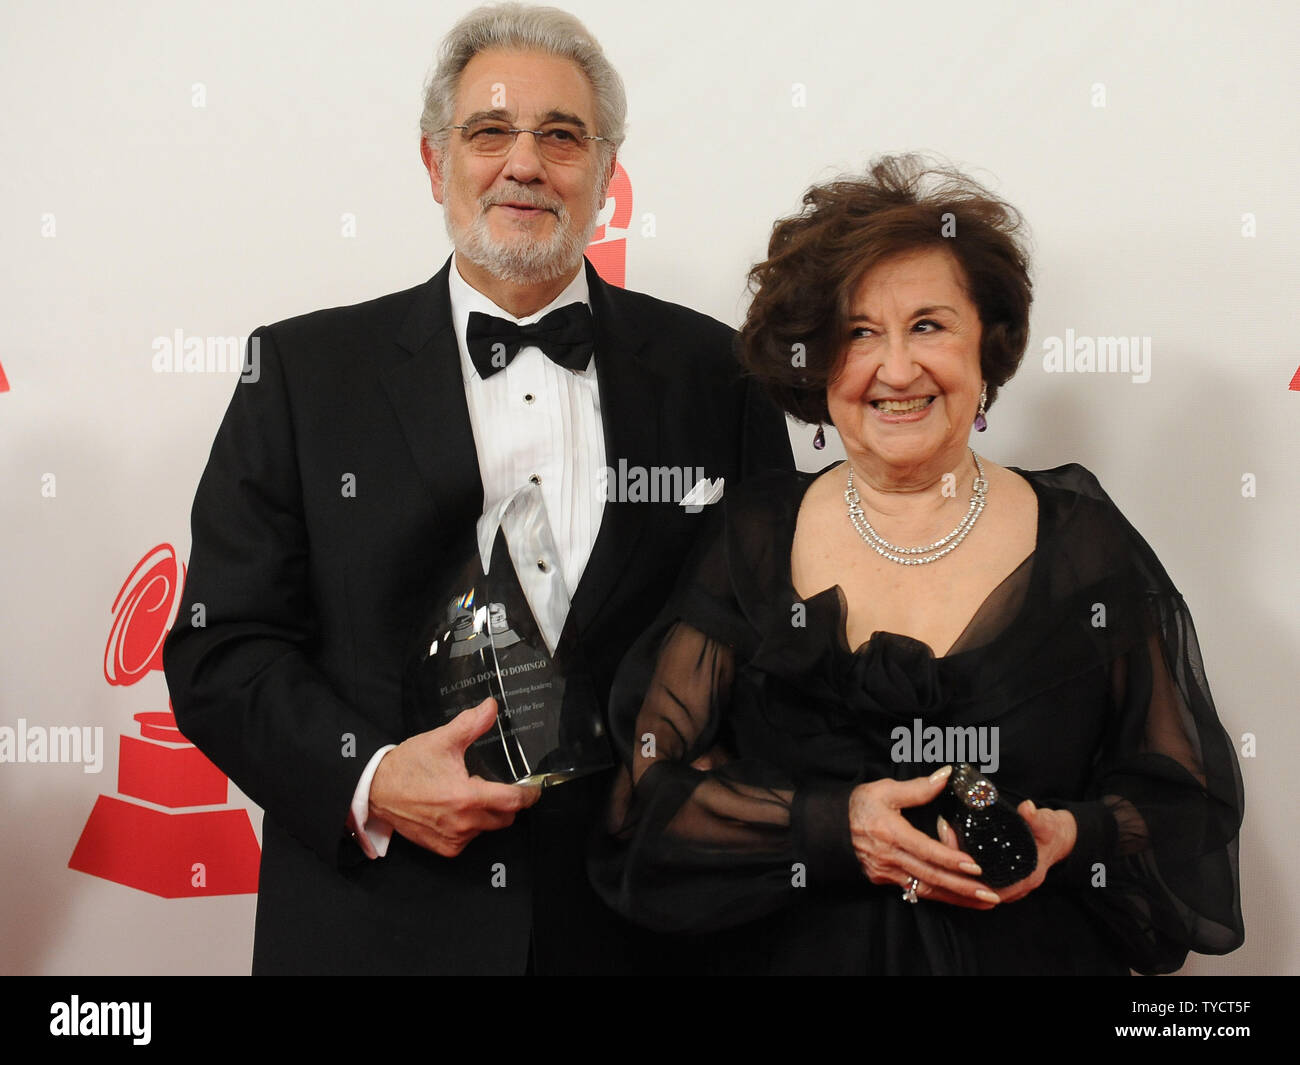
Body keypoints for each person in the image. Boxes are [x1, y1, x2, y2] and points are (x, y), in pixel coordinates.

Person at [162, 3, 792, 975]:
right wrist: (369, 777)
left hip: (648, 932)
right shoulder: (299, 373)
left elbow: (765, 647)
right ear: (433, 163)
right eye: (489, 131)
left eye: (561, 136)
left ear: (608, 176)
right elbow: (222, 645)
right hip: (378, 929)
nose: (525, 163)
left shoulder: (719, 375)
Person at [590, 155, 1245, 974]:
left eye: (928, 326)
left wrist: (1070, 834)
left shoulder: (1081, 540)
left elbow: (1181, 800)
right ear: (817, 365)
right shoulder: (752, 535)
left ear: (988, 348)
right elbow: (647, 795)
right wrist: (836, 826)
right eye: (859, 333)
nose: (896, 369)